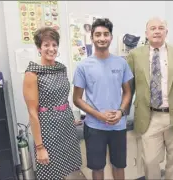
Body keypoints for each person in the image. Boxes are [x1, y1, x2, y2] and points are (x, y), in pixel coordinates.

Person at [126, 17, 173, 180]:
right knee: (150, 160)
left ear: (166, 32)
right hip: (149, 116)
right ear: (146, 33)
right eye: (153, 28)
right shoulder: (134, 55)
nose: (157, 31)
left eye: (161, 28)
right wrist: (122, 112)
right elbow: (129, 88)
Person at [73, 18, 133, 180]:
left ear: (111, 37)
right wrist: (98, 115)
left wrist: (121, 112)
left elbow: (127, 92)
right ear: (92, 38)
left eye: (106, 34)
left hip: (118, 125)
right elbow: (77, 99)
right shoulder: (83, 66)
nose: (102, 38)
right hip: (94, 126)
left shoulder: (121, 63)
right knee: (97, 168)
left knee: (119, 166)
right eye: (98, 34)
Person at [23, 27, 82, 180]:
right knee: (50, 171)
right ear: (39, 48)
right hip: (47, 129)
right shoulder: (32, 73)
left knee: (66, 170)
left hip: (66, 127)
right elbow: (32, 112)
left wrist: (69, 117)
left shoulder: (61, 69)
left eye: (54, 45)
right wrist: (39, 147)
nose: (51, 49)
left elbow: (63, 98)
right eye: (46, 45)